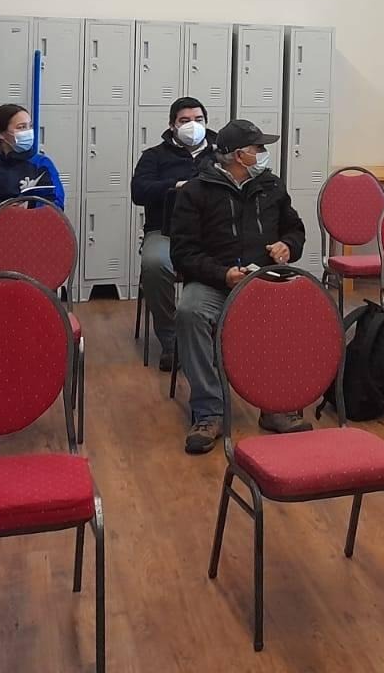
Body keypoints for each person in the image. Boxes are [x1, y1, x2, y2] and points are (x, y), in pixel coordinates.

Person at [169, 119, 307, 454]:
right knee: (189, 312)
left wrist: (288, 246)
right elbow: (183, 253)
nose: (263, 153)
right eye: (257, 148)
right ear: (237, 155)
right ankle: (209, 412)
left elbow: (295, 229)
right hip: (215, 281)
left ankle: (275, 406)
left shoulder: (271, 186)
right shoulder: (196, 191)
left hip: (264, 281)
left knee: (298, 308)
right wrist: (223, 274)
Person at [131, 96, 216, 372]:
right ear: (172, 125)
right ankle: (171, 340)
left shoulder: (220, 153)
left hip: (211, 233)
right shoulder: (154, 156)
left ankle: (216, 337)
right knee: (154, 264)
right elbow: (138, 191)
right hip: (165, 231)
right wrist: (175, 185)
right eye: (185, 120)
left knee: (235, 260)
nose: (193, 125)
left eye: (198, 120)